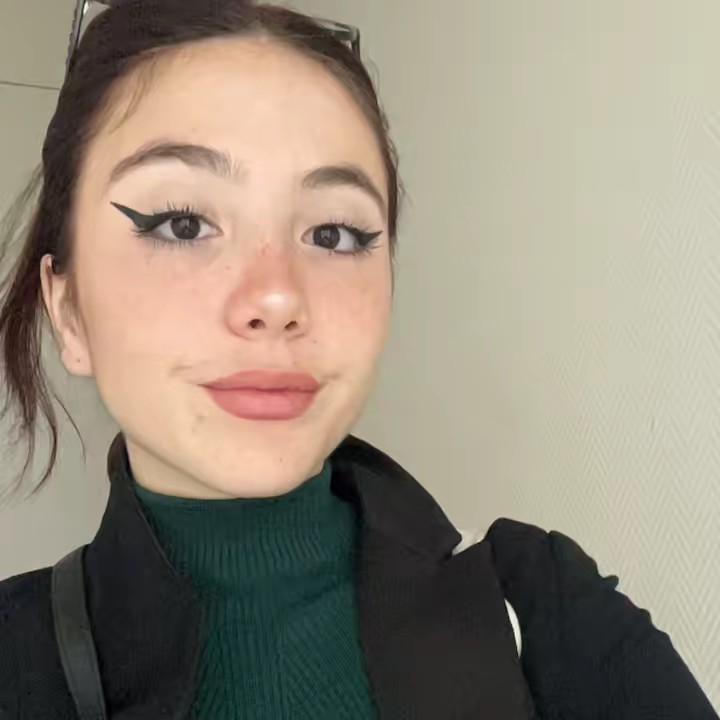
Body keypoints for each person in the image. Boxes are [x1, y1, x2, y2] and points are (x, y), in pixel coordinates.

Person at [0, 1, 717, 718]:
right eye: (182, 224)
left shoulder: (543, 606)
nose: (277, 296)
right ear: (69, 311)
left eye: (334, 234)